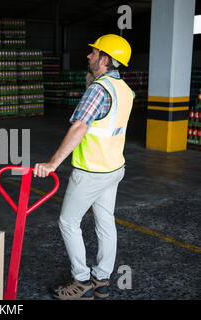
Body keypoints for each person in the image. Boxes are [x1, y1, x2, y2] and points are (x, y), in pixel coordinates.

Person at [33, 34, 134, 300]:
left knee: (68, 222)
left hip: (91, 170)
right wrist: (93, 82)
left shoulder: (98, 90)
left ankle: (80, 281)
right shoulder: (124, 89)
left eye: (94, 52)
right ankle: (101, 279)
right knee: (105, 222)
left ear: (105, 59)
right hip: (114, 169)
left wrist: (53, 163)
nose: (88, 56)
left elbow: (80, 126)